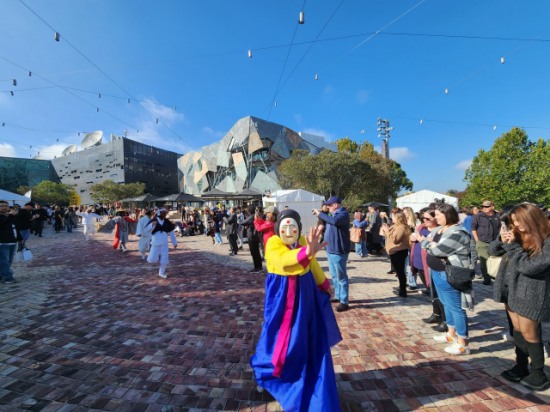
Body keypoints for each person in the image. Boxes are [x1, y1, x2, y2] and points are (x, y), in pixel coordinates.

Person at [250, 209, 342, 411]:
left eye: (293, 226)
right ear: (278, 228)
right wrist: (307, 252)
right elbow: (282, 261)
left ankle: (308, 372)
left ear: (299, 227)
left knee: (306, 335)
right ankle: (269, 374)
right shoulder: (273, 243)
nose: (289, 230)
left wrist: (324, 284)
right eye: (285, 226)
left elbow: (313, 265)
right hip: (282, 298)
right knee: (280, 337)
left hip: (305, 294)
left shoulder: (301, 240)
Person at [497, 203, 550, 391]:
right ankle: (521, 365)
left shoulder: (547, 240)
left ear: (532, 219)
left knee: (530, 333)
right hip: (513, 289)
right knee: (518, 330)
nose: (516, 225)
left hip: (534, 292)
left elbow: (530, 267)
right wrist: (503, 238)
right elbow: (494, 250)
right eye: (513, 222)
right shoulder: (519, 234)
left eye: (519, 221)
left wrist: (512, 247)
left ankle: (538, 373)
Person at [422, 204, 477, 355]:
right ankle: (451, 334)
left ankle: (463, 343)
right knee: (446, 303)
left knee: (456, 308)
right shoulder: (439, 229)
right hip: (437, 272)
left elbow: (437, 249)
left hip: (449, 273)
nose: (435, 217)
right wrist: (430, 243)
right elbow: (432, 243)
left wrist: (425, 243)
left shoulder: (458, 232)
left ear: (448, 215)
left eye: (438, 215)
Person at [314, 196, 351, 312]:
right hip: (331, 249)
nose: (328, 207)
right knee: (334, 275)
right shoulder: (332, 214)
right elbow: (328, 221)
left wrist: (321, 214)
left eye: (329, 205)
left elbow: (334, 222)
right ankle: (338, 295)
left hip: (339, 250)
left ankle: (344, 301)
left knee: (341, 276)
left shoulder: (343, 214)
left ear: (336, 205)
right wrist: (322, 214)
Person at [381, 211, 410, 298]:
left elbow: (395, 239)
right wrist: (386, 230)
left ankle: (403, 291)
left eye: (393, 217)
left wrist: (387, 231)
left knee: (400, 272)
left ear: (398, 218)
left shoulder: (401, 227)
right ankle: (401, 288)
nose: (392, 218)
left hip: (399, 251)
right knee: (398, 271)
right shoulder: (395, 226)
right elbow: (388, 235)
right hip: (394, 252)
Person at [471, 200, 501, 285]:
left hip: (495, 242)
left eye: (487, 206)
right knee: (485, 260)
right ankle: (486, 278)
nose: (484, 208)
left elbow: (501, 227)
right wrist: (477, 240)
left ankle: (495, 276)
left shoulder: (498, 215)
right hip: (482, 242)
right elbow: (473, 228)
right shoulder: (478, 216)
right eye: (483, 206)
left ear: (492, 207)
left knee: (495, 260)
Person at [146, 208, 178, 278]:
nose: (165, 215)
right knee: (151, 259)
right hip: (155, 242)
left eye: (165, 214)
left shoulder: (167, 222)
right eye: (163, 213)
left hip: (164, 243)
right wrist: (151, 225)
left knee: (165, 259)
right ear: (159, 213)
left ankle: (161, 273)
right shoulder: (154, 220)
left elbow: (172, 233)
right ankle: (157, 257)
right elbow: (146, 230)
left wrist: (174, 243)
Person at [0, 200, 21, 284]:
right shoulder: (7, 217)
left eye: (6, 206)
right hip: (2, 242)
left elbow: (14, 228)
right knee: (4, 260)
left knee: (9, 261)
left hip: (12, 241)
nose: (4, 207)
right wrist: (10, 216)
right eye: (2, 206)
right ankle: (7, 277)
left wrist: (20, 238)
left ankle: (2, 275)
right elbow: (2, 224)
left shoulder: (9, 216)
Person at [242, 205, 263, 272]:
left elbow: (243, 222)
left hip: (252, 236)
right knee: (257, 251)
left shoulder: (251, 216)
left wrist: (246, 223)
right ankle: (259, 266)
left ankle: (256, 267)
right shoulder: (256, 215)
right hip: (255, 235)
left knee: (254, 252)